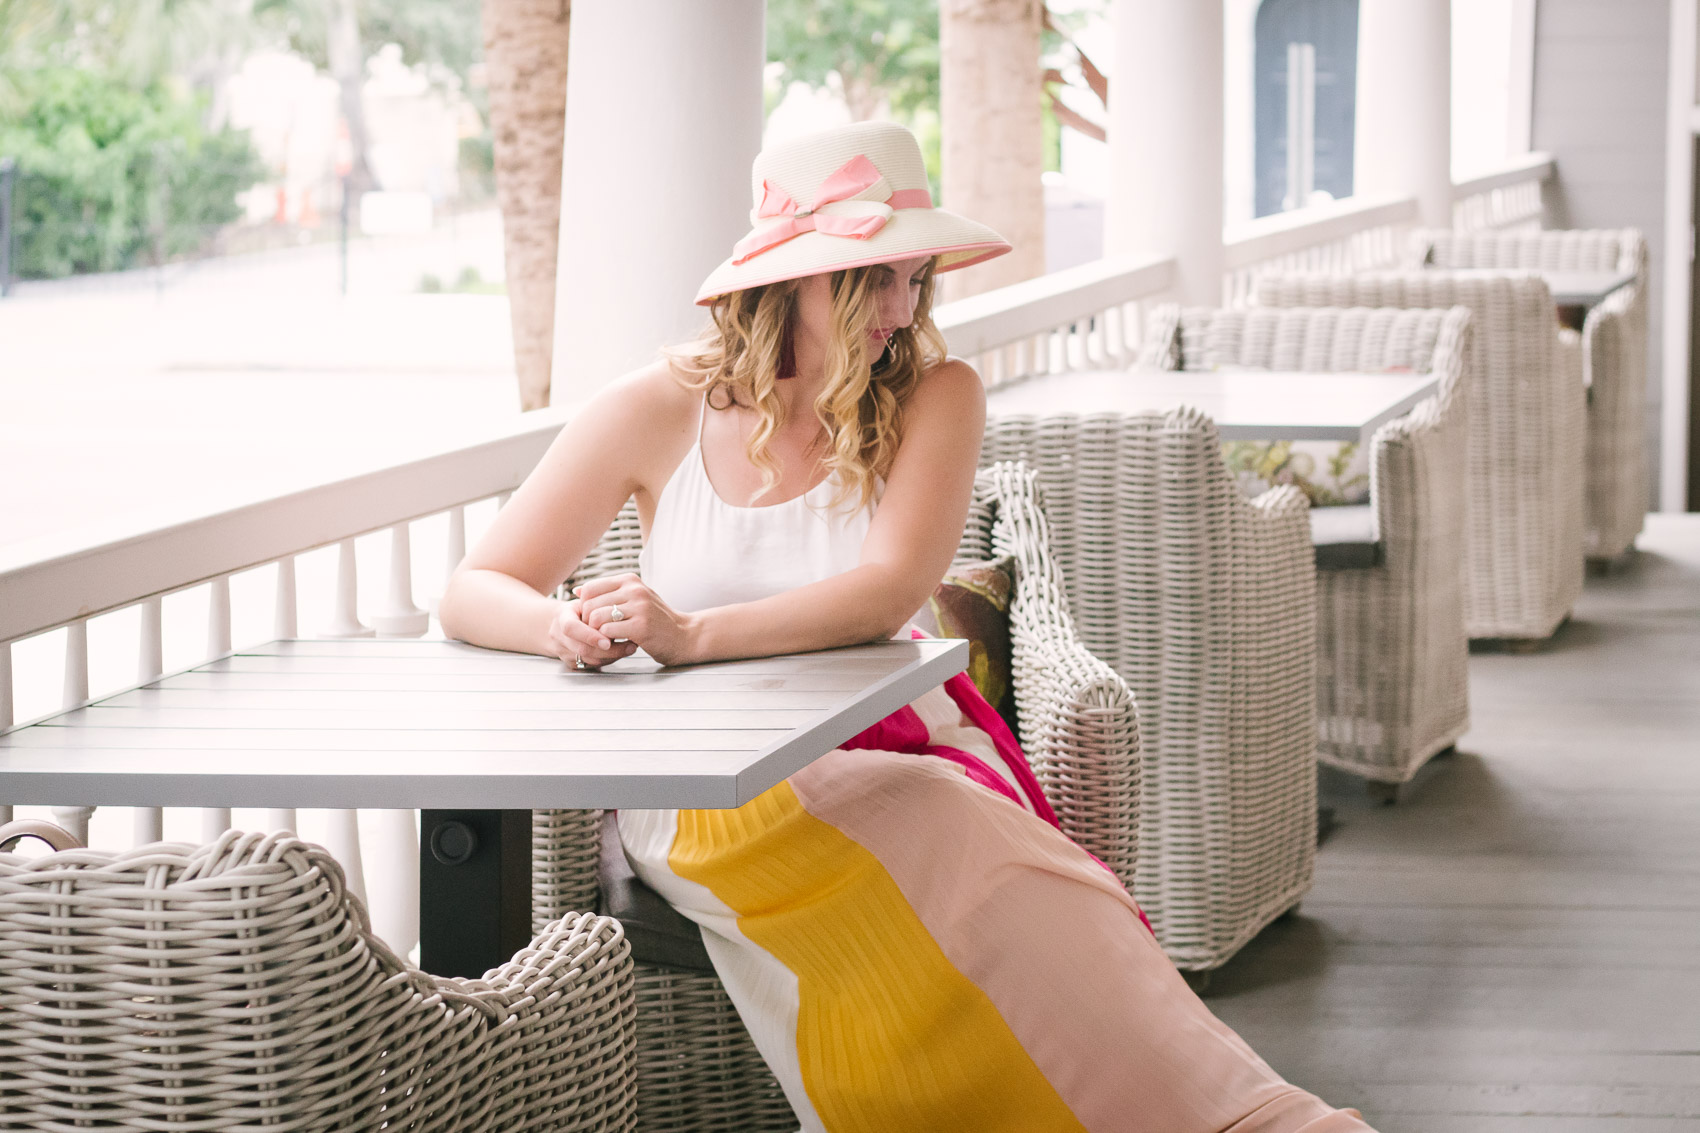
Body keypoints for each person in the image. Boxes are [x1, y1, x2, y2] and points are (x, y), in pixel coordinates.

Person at [439, 121, 1373, 1133]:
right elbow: (477, 584)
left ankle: (1245, 1116)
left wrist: (692, 632)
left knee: (1020, 872)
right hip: (710, 787)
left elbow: (889, 591)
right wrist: (562, 629)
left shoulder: (936, 393)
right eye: (875, 278)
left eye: (915, 280)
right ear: (793, 280)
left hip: (906, 740)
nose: (901, 309)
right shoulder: (658, 406)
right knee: (961, 853)